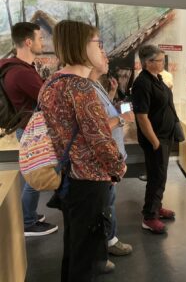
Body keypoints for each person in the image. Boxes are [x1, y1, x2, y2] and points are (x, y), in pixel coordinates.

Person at [39, 20, 126, 281]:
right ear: (81, 45)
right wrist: (118, 167)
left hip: (68, 176)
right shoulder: (80, 87)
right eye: (98, 43)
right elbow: (100, 140)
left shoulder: (51, 83)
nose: (102, 50)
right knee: (86, 256)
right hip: (89, 180)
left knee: (75, 249)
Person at [0, 22, 58, 236]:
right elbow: (49, 98)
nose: (43, 41)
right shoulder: (22, 73)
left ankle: (28, 213)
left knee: (31, 175)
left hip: (27, 129)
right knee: (37, 176)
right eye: (40, 38)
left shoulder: (17, 68)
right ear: (28, 42)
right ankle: (27, 222)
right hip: (31, 131)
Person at [88, 51, 134, 271]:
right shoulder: (86, 88)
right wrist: (122, 119)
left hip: (111, 160)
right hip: (102, 162)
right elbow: (96, 129)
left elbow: (104, 116)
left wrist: (113, 93)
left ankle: (109, 241)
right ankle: (101, 251)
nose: (106, 58)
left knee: (107, 203)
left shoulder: (97, 86)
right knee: (102, 206)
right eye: (100, 51)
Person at [132, 45, 177, 234]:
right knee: (156, 176)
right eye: (160, 60)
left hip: (164, 136)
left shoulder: (157, 78)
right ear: (148, 62)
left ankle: (156, 207)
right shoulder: (142, 83)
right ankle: (149, 217)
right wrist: (155, 142)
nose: (163, 63)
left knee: (161, 175)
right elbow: (142, 117)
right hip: (155, 139)